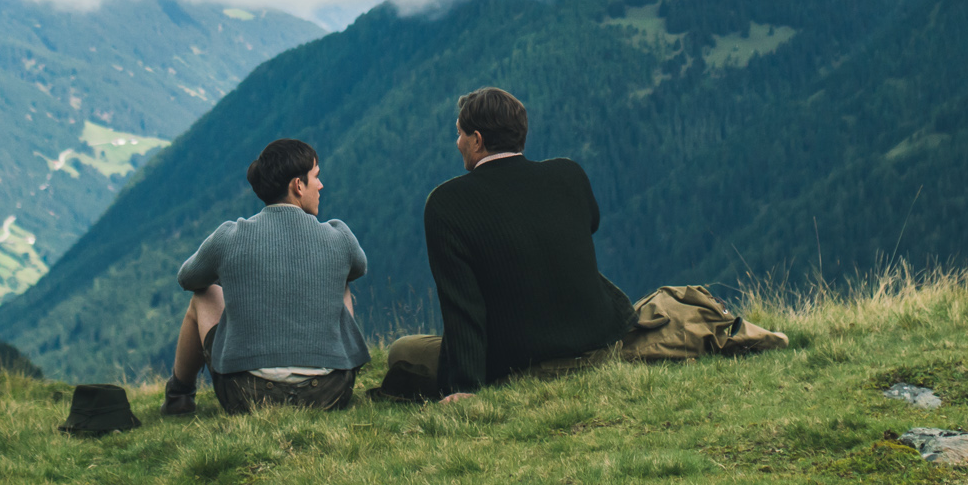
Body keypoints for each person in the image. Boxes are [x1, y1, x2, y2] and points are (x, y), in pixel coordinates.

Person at [411, 86, 635, 400]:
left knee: (404, 353)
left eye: (460, 133)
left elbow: (463, 307)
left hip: (520, 362)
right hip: (599, 345)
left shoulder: (447, 204)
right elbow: (591, 223)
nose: (457, 142)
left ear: (478, 139)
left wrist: (465, 388)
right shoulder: (569, 175)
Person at [162, 137, 370, 416]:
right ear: (298, 185)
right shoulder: (339, 237)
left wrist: (236, 276)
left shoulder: (229, 236)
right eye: (316, 177)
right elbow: (359, 268)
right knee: (341, 281)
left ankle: (179, 395)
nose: (320, 186)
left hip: (246, 395)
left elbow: (188, 279)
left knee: (205, 294)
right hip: (329, 392)